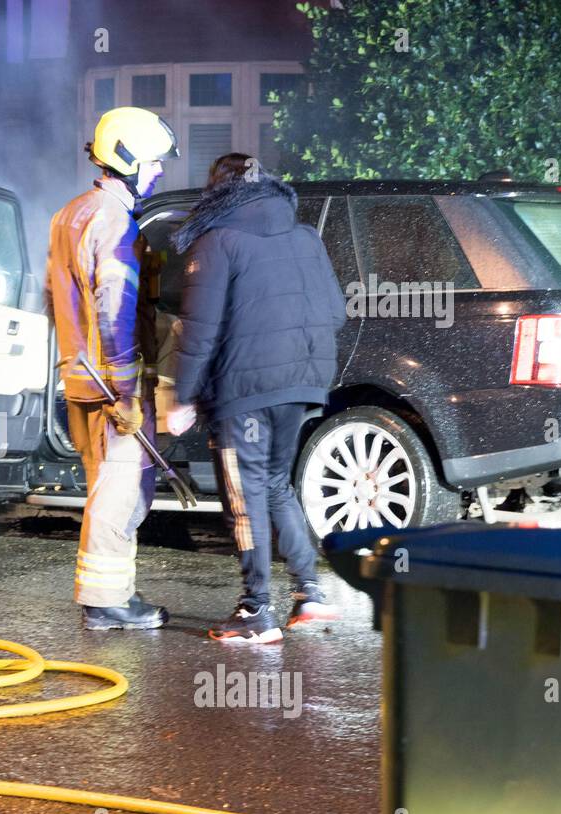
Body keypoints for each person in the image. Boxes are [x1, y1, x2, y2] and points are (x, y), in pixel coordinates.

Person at [163, 153, 345, 642]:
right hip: (301, 383)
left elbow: (199, 330)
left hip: (243, 390)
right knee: (276, 486)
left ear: (217, 193)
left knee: (245, 499)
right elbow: (335, 312)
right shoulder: (306, 237)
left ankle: (255, 612)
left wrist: (183, 398)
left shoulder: (217, 240)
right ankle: (309, 593)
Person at [45, 106, 179, 630]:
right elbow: (114, 308)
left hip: (80, 377)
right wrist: (126, 391)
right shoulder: (112, 222)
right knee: (122, 488)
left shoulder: (71, 213)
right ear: (127, 159)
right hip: (110, 383)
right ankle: (106, 602)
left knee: (107, 483)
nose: (161, 171)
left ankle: (113, 591)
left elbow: (58, 297)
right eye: (155, 162)